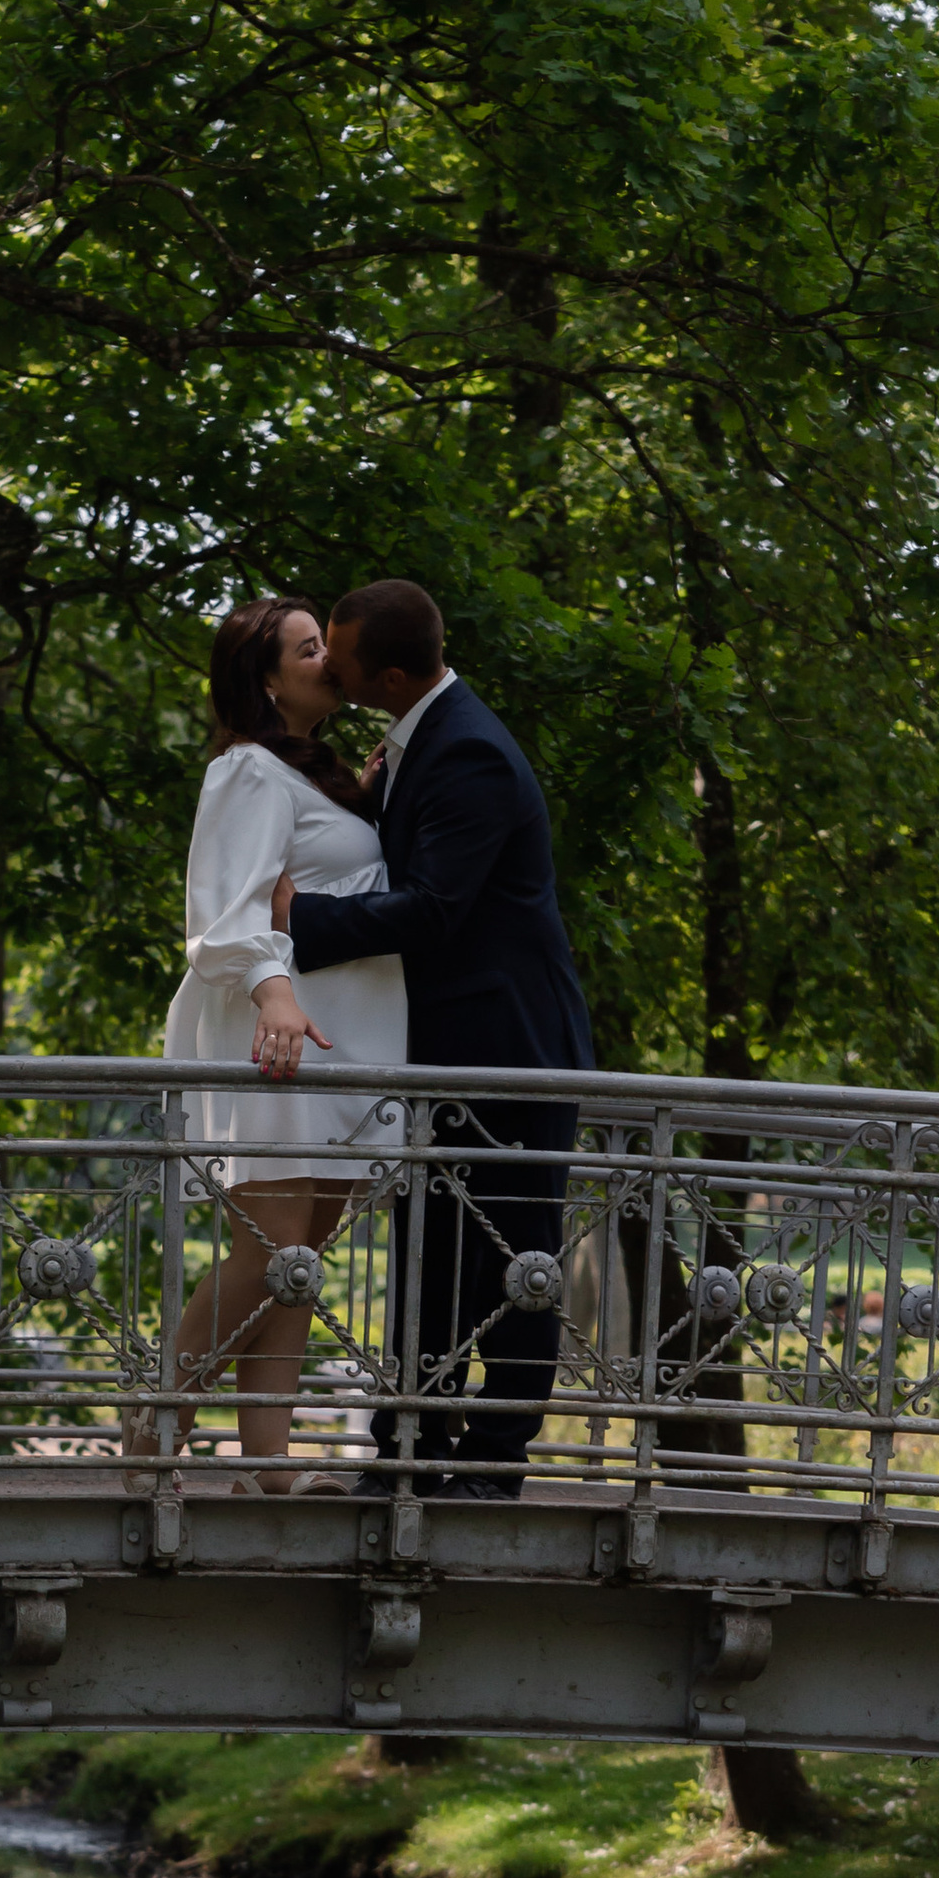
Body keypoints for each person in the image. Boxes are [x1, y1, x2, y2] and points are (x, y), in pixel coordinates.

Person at [276, 579, 592, 1493]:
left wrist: (304, 917)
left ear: (395, 672)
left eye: (341, 659)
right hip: (448, 1048)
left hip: (508, 1047)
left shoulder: (471, 755)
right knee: (432, 1247)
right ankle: (408, 1444)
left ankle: (496, 1457)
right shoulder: (423, 743)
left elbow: (437, 910)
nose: (329, 668)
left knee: (515, 1251)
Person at [160, 595, 407, 1490]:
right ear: (266, 679)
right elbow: (222, 910)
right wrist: (274, 997)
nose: (329, 659)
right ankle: (155, 1426)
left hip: (338, 1050)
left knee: (298, 1262)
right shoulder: (249, 771)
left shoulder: (313, 773)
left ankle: (267, 1459)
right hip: (281, 1040)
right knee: (269, 1255)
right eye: (309, 650)